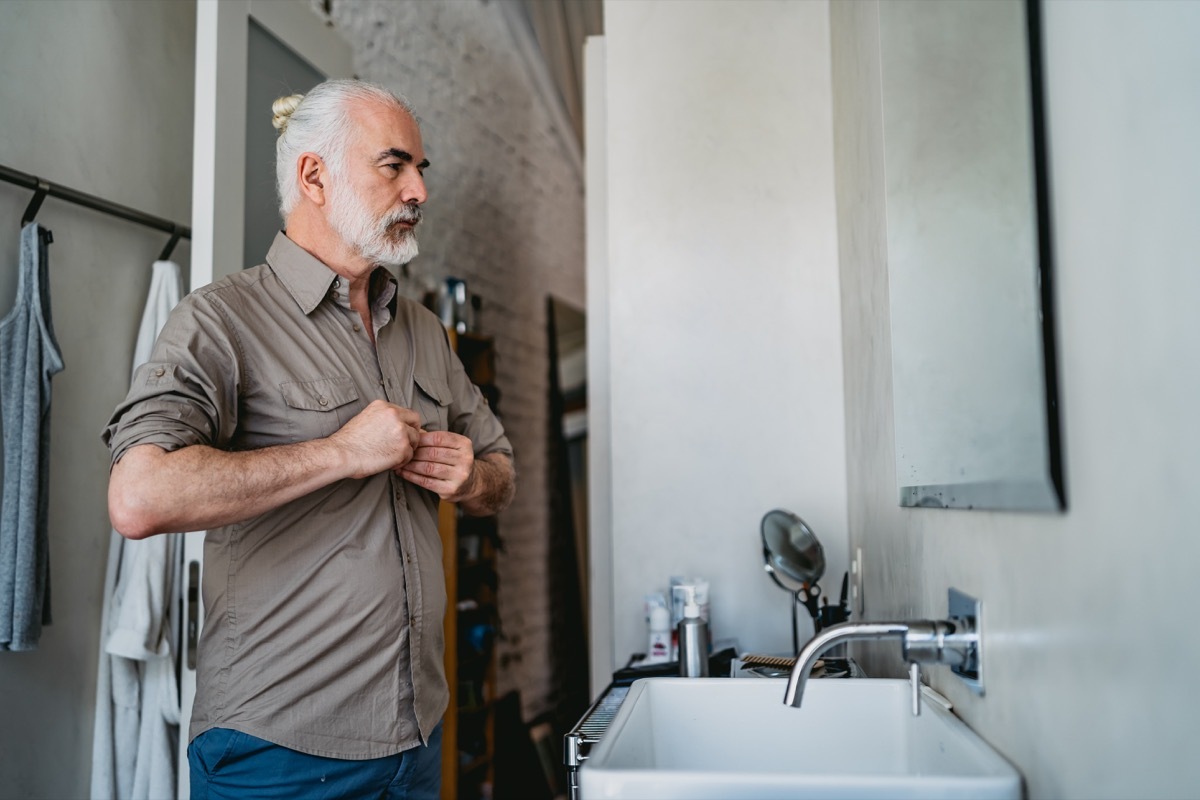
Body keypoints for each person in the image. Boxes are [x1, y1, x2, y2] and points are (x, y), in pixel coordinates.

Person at [103, 79, 515, 800]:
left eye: (422, 169)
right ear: (313, 175)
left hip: (418, 737)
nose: (419, 189)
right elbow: (139, 495)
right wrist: (342, 453)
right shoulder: (219, 321)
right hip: (277, 752)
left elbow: (501, 471)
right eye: (395, 166)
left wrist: (471, 479)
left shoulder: (424, 331)